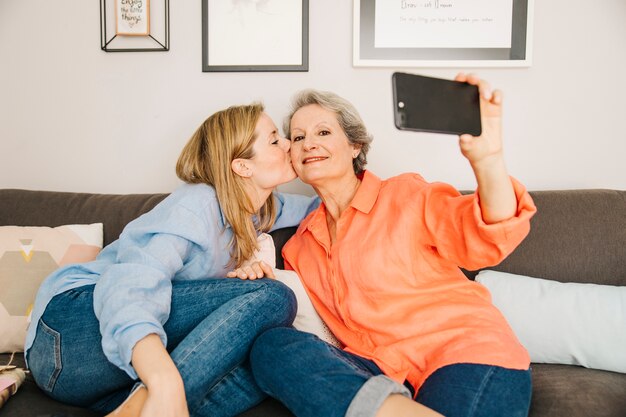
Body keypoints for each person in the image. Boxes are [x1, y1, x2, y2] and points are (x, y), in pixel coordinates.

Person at [244, 74, 537, 417]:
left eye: (323, 132)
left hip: (463, 353)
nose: (309, 143)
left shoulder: (405, 195)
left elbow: (486, 231)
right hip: (377, 371)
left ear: (354, 146)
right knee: (271, 347)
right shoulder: (299, 247)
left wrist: (489, 161)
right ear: (291, 156)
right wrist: (257, 277)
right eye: (298, 137)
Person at [24, 103, 319, 417]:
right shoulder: (197, 204)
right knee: (274, 296)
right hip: (68, 330)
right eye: (275, 140)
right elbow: (129, 285)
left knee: (265, 360)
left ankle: (139, 408)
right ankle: (159, 394)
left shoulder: (262, 210)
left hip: (98, 385)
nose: (290, 144)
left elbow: (327, 205)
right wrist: (165, 381)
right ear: (243, 166)